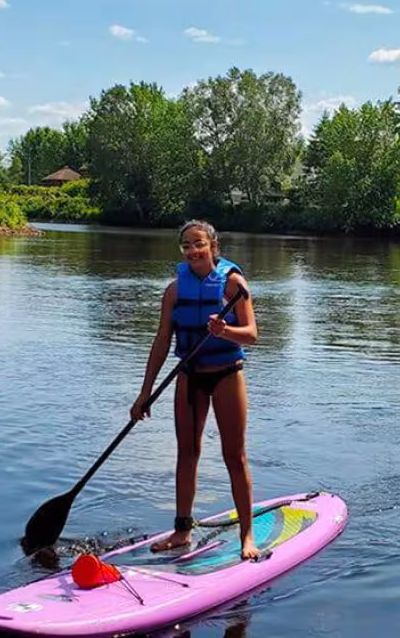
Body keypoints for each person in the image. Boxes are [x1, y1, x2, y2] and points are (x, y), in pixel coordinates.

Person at [130, 220, 262, 560]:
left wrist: (224, 331)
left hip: (226, 374)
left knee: (234, 455)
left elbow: (251, 334)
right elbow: (161, 342)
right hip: (189, 377)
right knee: (186, 453)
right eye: (186, 245)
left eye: (198, 243)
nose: (192, 251)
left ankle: (247, 535)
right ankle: (181, 531)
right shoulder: (174, 291)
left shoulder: (233, 285)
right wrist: (145, 393)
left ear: (213, 246)